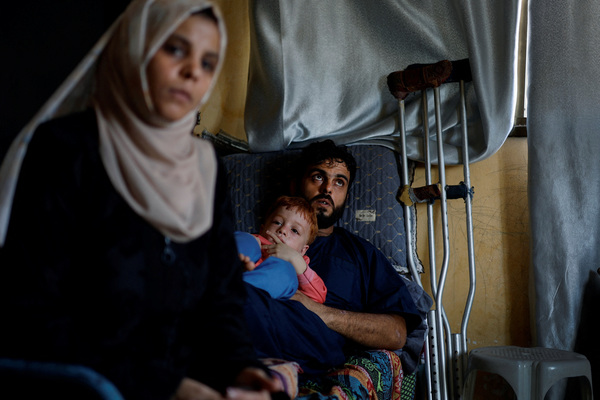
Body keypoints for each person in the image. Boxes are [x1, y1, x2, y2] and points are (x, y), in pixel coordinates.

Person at [0, 1, 282, 400]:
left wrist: (242, 367)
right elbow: (31, 313)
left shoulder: (205, 168)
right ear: (135, 48)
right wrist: (167, 387)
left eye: (208, 63)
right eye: (176, 49)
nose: (192, 73)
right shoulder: (66, 150)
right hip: (88, 383)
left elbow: (222, 300)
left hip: (189, 379)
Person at [242, 140, 430, 376]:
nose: (328, 188)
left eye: (339, 182)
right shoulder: (262, 237)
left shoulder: (362, 254)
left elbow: (396, 334)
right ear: (295, 185)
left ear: (346, 195)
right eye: (318, 177)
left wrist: (315, 309)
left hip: (310, 341)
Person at [236, 195, 327, 303]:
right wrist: (252, 239)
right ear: (262, 229)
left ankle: (239, 288)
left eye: (294, 230)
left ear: (302, 250)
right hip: (238, 261)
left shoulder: (297, 265)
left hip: (252, 294)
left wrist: (295, 260)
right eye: (277, 222)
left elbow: (318, 296)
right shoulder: (255, 241)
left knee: (286, 271)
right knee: (246, 240)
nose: (282, 230)